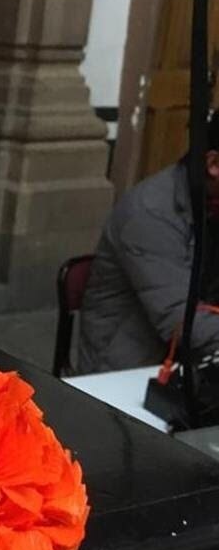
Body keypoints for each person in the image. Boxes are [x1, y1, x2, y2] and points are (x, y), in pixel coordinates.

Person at [78, 115, 219, 373]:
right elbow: (180, 324)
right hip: (128, 372)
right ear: (213, 164)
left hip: (192, 362)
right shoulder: (149, 212)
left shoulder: (211, 203)